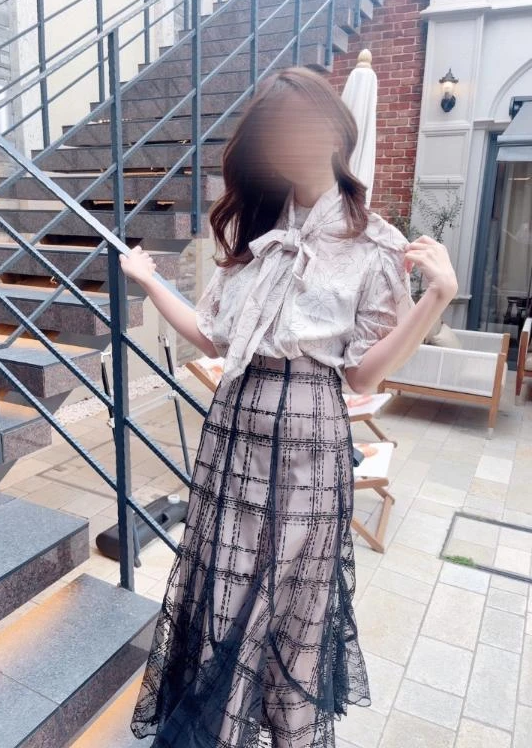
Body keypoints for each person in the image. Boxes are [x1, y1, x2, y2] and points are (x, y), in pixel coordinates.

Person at [120, 66, 458, 748]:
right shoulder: (258, 234)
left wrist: (436, 299)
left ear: (336, 132)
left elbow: (361, 371)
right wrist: (150, 283)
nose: (289, 144)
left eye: (302, 126)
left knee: (294, 611)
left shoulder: (376, 244)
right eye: (276, 134)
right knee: (223, 601)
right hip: (235, 429)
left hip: (310, 434)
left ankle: (291, 735)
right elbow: (213, 337)